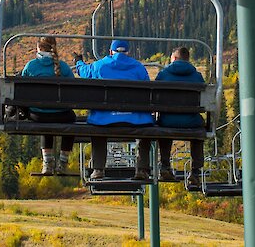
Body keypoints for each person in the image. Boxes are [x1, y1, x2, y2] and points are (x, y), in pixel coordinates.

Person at [75, 39, 154, 180]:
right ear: (128, 52)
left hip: (105, 118)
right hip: (135, 119)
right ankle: (142, 169)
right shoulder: (138, 67)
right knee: (145, 130)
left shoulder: (100, 65)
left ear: (111, 52)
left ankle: (98, 169)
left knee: (97, 129)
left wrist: (78, 62)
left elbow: (84, 72)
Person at [21, 36, 75, 175]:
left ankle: (47, 164)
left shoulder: (31, 66)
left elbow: (22, 90)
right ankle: (63, 163)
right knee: (71, 120)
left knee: (46, 120)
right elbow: (74, 89)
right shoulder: (63, 67)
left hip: (38, 115)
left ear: (38, 48)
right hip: (62, 115)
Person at [154, 46, 206, 186]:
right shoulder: (197, 76)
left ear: (175, 58)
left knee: (163, 125)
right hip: (191, 122)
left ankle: (165, 165)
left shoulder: (163, 75)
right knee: (199, 132)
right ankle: (195, 171)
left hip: (167, 121)